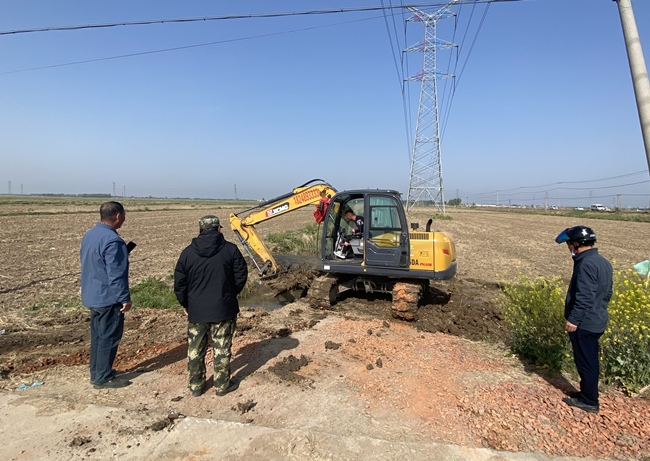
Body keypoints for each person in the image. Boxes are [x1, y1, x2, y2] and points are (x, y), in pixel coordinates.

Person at [174, 215, 248, 397]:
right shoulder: (231, 250)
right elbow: (241, 275)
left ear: (200, 229)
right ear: (218, 229)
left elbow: (180, 283)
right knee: (222, 349)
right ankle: (222, 385)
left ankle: (196, 386)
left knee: (195, 350)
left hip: (197, 310)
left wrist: (185, 303)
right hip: (224, 308)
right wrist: (230, 294)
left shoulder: (187, 253)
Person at [555, 226, 612, 414]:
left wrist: (574, 319)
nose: (568, 248)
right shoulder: (602, 262)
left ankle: (589, 401)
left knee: (586, 362)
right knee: (590, 359)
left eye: (569, 244)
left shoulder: (586, 264)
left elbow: (584, 297)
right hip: (597, 318)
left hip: (585, 323)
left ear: (576, 244)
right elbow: (607, 292)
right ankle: (587, 392)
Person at [80, 201, 132, 389]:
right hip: (108, 297)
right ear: (118, 216)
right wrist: (124, 298)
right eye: (124, 215)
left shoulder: (90, 234)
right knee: (109, 337)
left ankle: (96, 371)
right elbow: (115, 274)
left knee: (98, 337)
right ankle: (103, 377)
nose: (124, 219)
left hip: (92, 294)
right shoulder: (113, 241)